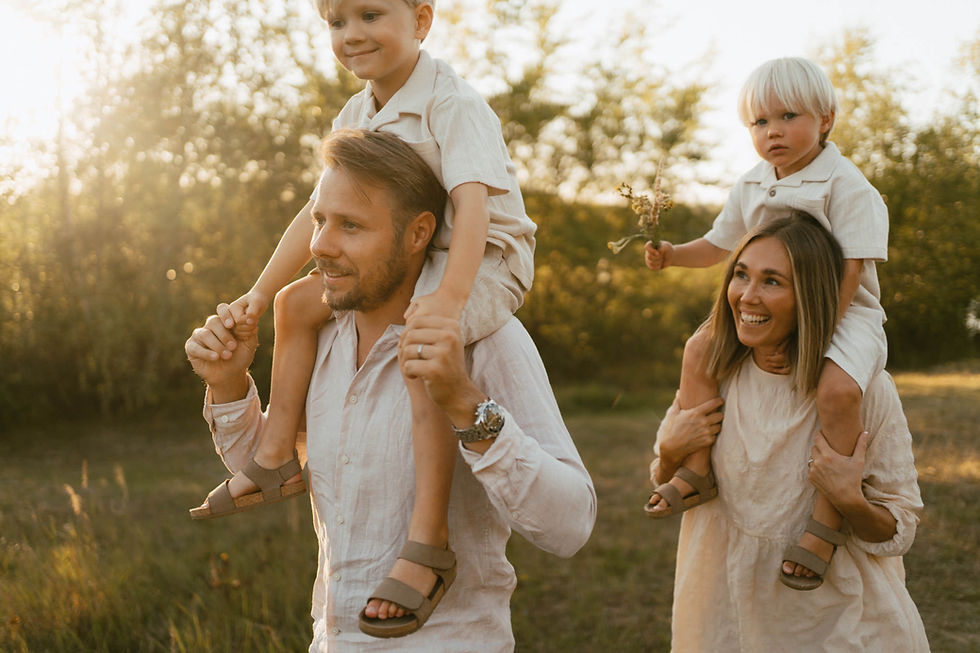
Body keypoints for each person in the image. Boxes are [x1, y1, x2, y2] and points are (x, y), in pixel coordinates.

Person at [188, 0, 537, 633]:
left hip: (481, 259)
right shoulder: (358, 114)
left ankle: (428, 542)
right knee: (299, 302)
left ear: (421, 20)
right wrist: (259, 294)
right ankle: (273, 455)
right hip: (412, 259)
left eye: (370, 15)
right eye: (336, 22)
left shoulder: (452, 104)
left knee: (423, 342)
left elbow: (474, 210)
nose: (352, 35)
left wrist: (448, 306)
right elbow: (314, 212)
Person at [185, 129, 595, 650]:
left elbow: (571, 526)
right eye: (319, 221)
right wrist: (227, 383)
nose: (320, 247)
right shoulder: (322, 336)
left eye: (351, 226)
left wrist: (466, 405)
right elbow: (275, 470)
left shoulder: (487, 341)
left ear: (418, 232)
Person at [643, 57, 889, 590]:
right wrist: (672, 254)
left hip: (842, 312)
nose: (772, 131)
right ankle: (699, 468)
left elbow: (850, 271)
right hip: (767, 307)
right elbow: (718, 244)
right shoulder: (753, 183)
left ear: (826, 119)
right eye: (759, 122)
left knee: (840, 390)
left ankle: (828, 518)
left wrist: (813, 337)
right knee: (698, 350)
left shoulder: (847, 186)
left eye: (788, 116)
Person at [648, 213, 927, 651]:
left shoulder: (860, 391)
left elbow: (899, 526)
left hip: (833, 624)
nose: (746, 297)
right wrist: (669, 449)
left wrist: (849, 500)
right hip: (725, 618)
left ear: (811, 297)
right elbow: (670, 481)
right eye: (741, 275)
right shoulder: (716, 369)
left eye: (773, 282)